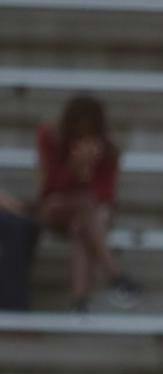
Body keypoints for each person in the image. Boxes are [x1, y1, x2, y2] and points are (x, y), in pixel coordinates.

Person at [34, 95, 142, 312]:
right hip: (57, 208)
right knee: (84, 209)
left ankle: (79, 299)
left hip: (89, 215)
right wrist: (76, 168)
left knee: (81, 226)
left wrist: (87, 172)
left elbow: (106, 195)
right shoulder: (50, 138)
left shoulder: (108, 151)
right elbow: (50, 187)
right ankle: (114, 274)